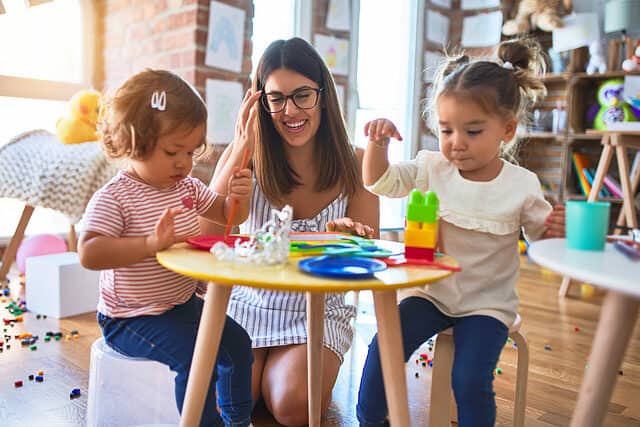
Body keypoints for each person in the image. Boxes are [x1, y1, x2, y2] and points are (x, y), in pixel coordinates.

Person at [356, 38, 566, 427]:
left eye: (472, 131)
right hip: (430, 295)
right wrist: (377, 144)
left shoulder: (522, 184)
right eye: (447, 130)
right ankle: (371, 419)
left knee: (469, 381)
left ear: (507, 129)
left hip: (487, 305)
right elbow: (378, 181)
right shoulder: (431, 166)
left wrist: (554, 229)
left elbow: (541, 242)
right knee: (383, 346)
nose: (456, 143)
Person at [200, 37, 379, 426]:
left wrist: (346, 238)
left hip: (317, 308)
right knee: (225, 399)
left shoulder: (357, 163)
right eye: (276, 98)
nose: (290, 110)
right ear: (260, 101)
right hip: (247, 304)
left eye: (302, 95)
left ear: (323, 95)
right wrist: (239, 147)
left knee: (292, 405)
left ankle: (273, 378)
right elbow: (205, 232)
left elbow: (369, 253)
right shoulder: (248, 155)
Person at [78, 69, 254, 427]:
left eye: (191, 151)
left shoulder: (187, 188)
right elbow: (89, 252)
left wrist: (240, 197)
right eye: (173, 151)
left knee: (238, 344)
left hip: (180, 306)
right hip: (130, 317)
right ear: (134, 143)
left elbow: (224, 213)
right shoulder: (116, 198)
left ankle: (238, 420)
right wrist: (149, 244)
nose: (184, 163)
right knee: (194, 357)